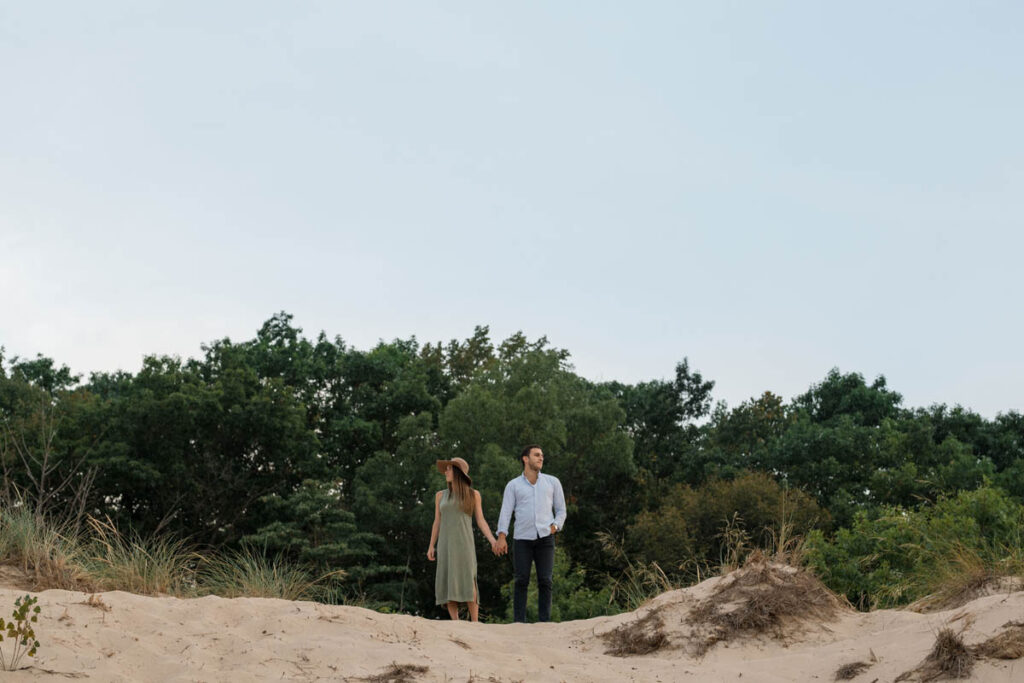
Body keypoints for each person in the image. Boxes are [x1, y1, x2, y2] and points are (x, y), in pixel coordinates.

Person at [494, 444, 567, 623]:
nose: (541, 458)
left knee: (546, 580)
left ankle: (545, 622)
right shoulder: (513, 485)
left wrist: (555, 527)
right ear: (525, 459)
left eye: (542, 455)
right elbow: (506, 512)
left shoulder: (552, 482)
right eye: (536, 455)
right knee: (521, 580)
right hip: (522, 539)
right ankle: (519, 622)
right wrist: (501, 536)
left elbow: (561, 510)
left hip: (545, 538)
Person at [427, 456, 498, 621]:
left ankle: (475, 622)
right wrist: (431, 545)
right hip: (445, 543)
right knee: (448, 577)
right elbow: (437, 522)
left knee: (468, 578)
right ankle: (456, 622)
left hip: (464, 542)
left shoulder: (473, 495)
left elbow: (480, 521)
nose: (446, 472)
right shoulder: (440, 496)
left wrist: (493, 540)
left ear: (458, 472)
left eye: (449, 468)